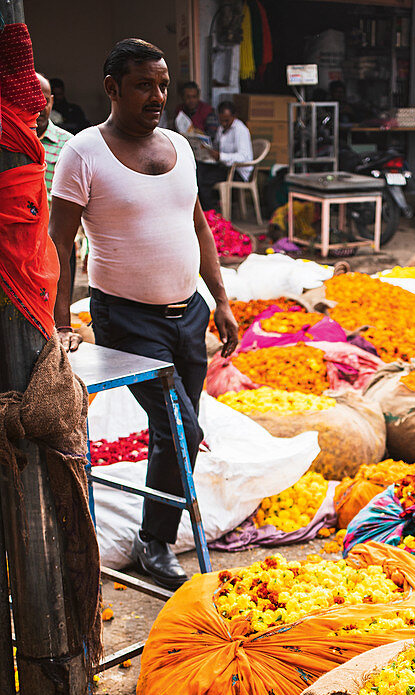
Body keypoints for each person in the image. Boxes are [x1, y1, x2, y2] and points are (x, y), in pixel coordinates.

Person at [50, 38, 238, 590]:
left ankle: (153, 537)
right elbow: (60, 244)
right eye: (143, 85)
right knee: (182, 426)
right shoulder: (84, 152)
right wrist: (61, 324)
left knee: (172, 428)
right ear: (112, 88)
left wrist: (221, 299)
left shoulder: (178, 146)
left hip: (188, 315)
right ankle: (157, 542)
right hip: (126, 319)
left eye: (161, 84)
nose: (156, 96)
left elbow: (198, 224)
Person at [35, 72, 76, 289]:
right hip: (18, 246)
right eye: (34, 98)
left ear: (52, 101)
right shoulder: (9, 144)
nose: (40, 105)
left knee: (59, 310)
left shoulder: (69, 145)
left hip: (59, 244)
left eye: (45, 99)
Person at [196, 100, 254, 212]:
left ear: (234, 117)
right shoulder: (221, 128)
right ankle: (204, 209)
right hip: (224, 166)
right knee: (199, 170)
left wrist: (221, 156)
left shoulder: (240, 130)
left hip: (238, 171)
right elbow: (217, 146)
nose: (223, 124)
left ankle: (210, 212)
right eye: (221, 120)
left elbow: (243, 157)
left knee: (205, 181)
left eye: (226, 120)